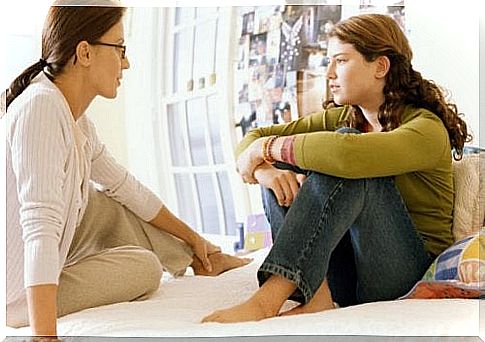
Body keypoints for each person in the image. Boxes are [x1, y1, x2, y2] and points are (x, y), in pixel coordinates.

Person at [202, 13, 471, 323]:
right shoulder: (346, 116)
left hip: (404, 273)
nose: (328, 73)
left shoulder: (426, 129)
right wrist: (266, 169)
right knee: (283, 166)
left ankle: (269, 298)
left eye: (341, 61)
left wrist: (264, 151)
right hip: (346, 277)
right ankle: (317, 298)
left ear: (380, 66)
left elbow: (348, 155)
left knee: (345, 154)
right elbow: (254, 138)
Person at [3, 0, 250, 337]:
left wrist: (195, 240)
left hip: (56, 240)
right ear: (85, 53)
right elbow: (40, 230)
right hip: (16, 296)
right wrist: (45, 335)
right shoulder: (42, 109)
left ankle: (202, 258)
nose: (127, 62)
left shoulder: (76, 120)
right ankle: (190, 258)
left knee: (104, 202)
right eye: (120, 49)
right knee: (145, 267)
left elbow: (126, 187)